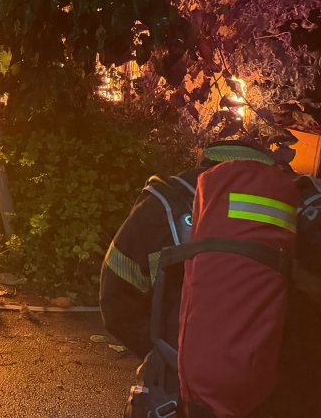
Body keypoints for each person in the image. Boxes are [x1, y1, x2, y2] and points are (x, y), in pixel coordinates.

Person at [101, 136, 321, 417]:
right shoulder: (309, 202)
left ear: (203, 158)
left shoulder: (165, 201)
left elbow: (116, 303)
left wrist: (175, 358)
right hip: (292, 398)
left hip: (189, 398)